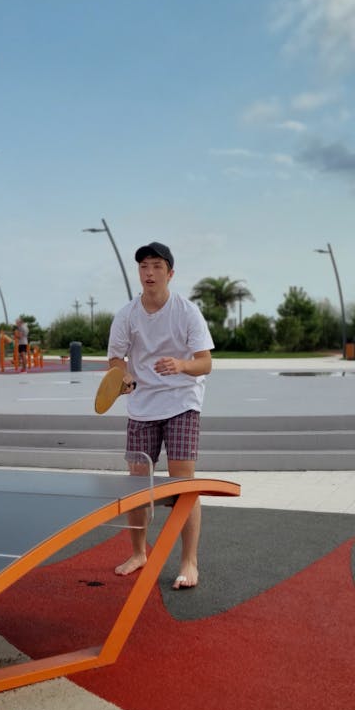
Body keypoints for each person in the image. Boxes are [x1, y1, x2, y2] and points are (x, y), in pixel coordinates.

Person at [107, 241, 213, 589]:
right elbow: (116, 359)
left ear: (170, 272)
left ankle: (189, 562)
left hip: (182, 400)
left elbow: (205, 362)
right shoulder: (126, 315)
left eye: (155, 266)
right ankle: (139, 553)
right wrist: (121, 376)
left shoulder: (187, 312)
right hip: (142, 404)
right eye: (143, 267)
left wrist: (181, 364)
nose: (148, 273)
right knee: (137, 484)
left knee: (183, 484)